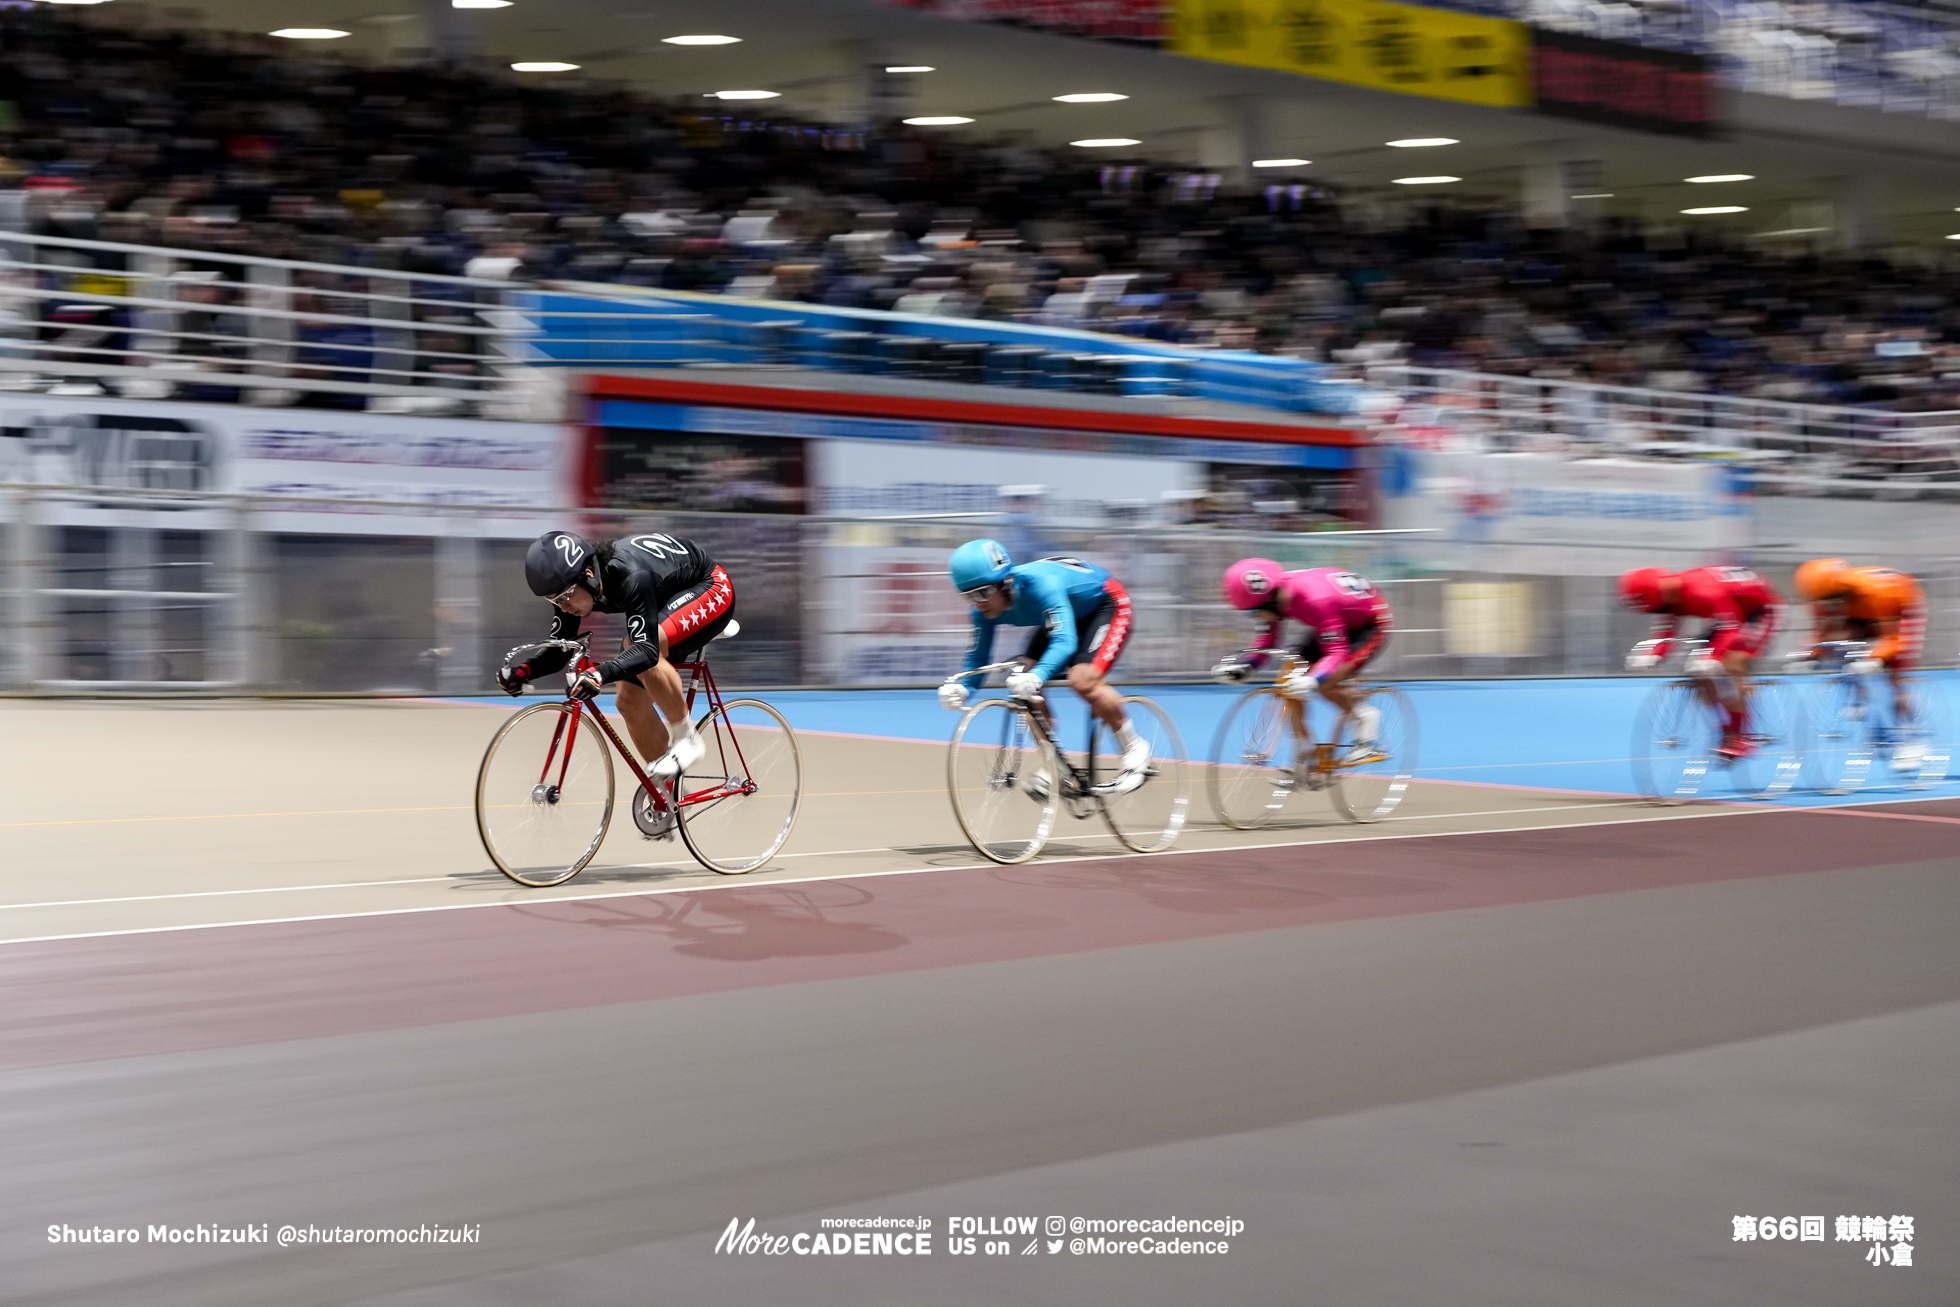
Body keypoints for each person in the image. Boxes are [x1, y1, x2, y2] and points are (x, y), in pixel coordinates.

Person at [499, 530, 735, 778]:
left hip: (710, 588)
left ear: (588, 575)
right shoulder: (571, 589)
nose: (564, 607)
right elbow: (560, 652)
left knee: (637, 645)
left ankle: (688, 738)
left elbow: (647, 651)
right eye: (554, 601)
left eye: (566, 597)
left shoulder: (631, 575)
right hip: (665, 595)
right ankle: (667, 794)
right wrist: (525, 671)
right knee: (628, 701)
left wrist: (599, 674)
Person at [937, 539, 1150, 794]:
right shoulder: (981, 611)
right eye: (969, 596)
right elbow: (978, 658)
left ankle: (1134, 747)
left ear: (1004, 582)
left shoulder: (1042, 586)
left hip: (1106, 604)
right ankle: (1053, 764)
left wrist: (1037, 677)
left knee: (1082, 679)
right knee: (1023, 678)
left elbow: (1065, 641)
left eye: (982, 593)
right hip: (1062, 612)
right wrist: (963, 689)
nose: (978, 603)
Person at [1211, 560, 1393, 760]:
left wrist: (1313, 679)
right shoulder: (1275, 594)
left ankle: (1364, 717)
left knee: (1325, 683)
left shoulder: (1314, 601)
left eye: (1253, 612)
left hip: (1368, 624)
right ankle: (1305, 752)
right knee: (1291, 672)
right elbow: (1267, 641)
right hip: (1338, 616)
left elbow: (1336, 652)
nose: (1253, 617)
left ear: (1270, 601)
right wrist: (1246, 666)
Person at [1619, 564, 1780, 761]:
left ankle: (1740, 735)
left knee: (1730, 665)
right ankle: (1729, 722)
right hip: (1730, 613)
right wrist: (1654, 654)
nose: (1662, 611)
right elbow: (1668, 629)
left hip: (1760, 611)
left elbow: (1732, 626)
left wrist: (1712, 658)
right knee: (1700, 671)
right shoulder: (1669, 594)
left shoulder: (1702, 591)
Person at [1793, 558, 1926, 770]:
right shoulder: (1823, 594)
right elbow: (1823, 631)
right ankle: (1858, 695)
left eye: (1834, 599)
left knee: (1895, 676)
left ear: (1843, 590)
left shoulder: (1878, 594)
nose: (1829, 607)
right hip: (1860, 609)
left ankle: (1912, 737)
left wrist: (1875, 658)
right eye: (1825, 601)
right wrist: (1811, 652)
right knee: (1842, 637)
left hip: (1899, 605)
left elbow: (1894, 640)